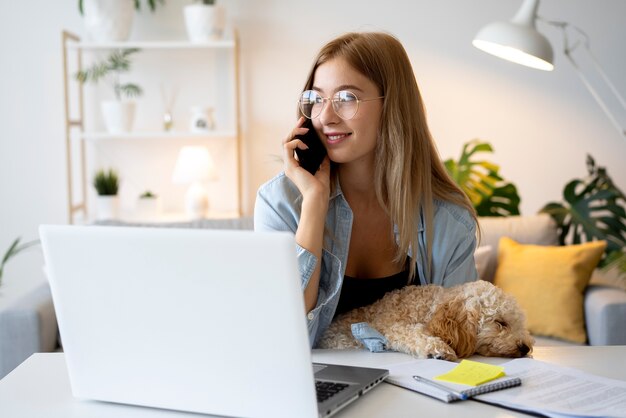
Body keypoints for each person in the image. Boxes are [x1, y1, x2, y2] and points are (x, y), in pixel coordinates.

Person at [254, 32, 478, 347]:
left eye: (346, 98)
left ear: (392, 106)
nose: (325, 117)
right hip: (314, 389)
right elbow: (282, 338)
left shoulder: (448, 223)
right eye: (317, 99)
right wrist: (315, 203)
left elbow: (464, 341)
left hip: (417, 390)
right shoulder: (280, 202)